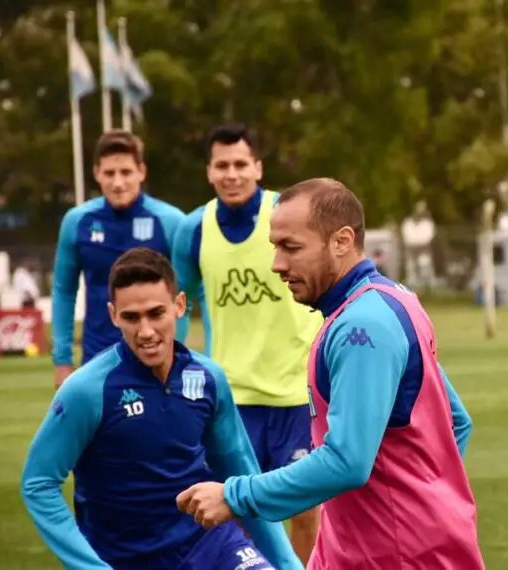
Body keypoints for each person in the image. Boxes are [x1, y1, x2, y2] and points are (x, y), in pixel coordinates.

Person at [176, 178, 485, 569]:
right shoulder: (390, 301)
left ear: (341, 241)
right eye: (274, 247)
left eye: (291, 247)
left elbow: (346, 462)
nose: (277, 264)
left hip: (396, 557)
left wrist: (234, 496)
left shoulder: (362, 328)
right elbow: (456, 423)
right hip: (376, 551)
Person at [21, 247, 302, 570]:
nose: (146, 332)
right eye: (131, 317)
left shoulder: (208, 378)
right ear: (113, 315)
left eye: (156, 313)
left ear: (179, 305)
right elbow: (38, 483)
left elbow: (241, 471)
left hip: (210, 545)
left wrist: (288, 564)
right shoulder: (87, 390)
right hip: (125, 559)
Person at [172, 124, 322, 563]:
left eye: (241, 163)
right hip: (232, 397)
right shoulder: (193, 229)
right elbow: (177, 307)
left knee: (306, 509)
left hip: (296, 392)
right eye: (223, 165)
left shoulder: (287, 212)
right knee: (234, 509)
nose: (232, 173)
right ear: (209, 171)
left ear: (258, 167)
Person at [52, 129, 186, 390]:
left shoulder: (171, 222)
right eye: (109, 173)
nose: (118, 182)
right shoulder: (77, 222)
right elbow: (64, 290)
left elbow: (187, 293)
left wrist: (176, 352)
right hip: (97, 359)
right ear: (96, 173)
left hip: (156, 360)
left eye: (125, 172)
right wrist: (62, 360)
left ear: (141, 172)